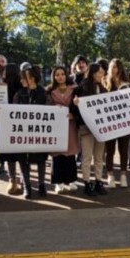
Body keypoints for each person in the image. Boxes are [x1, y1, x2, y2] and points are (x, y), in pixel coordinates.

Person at [12, 65, 50, 198]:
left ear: (32, 78)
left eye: (24, 78)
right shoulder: (19, 94)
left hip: (39, 133)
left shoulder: (43, 93)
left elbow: (50, 110)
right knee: (23, 159)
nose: (21, 80)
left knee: (41, 159)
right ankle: (27, 186)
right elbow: (13, 111)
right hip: (23, 133)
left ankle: (41, 185)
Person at [71, 63, 109, 196]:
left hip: (100, 129)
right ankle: (87, 183)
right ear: (93, 73)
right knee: (87, 157)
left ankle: (98, 181)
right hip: (86, 129)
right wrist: (75, 104)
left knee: (99, 157)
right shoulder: (81, 88)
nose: (102, 75)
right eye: (100, 72)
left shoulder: (103, 89)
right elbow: (74, 109)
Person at [46, 66, 79, 194]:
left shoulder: (74, 88)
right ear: (54, 77)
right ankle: (58, 183)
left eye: (62, 74)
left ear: (66, 75)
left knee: (70, 153)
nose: (60, 77)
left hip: (70, 124)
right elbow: (46, 106)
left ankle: (71, 180)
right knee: (57, 154)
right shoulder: (49, 90)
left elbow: (79, 106)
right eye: (57, 75)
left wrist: (73, 114)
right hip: (56, 125)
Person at [103, 59, 130, 188]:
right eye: (111, 67)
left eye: (115, 67)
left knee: (123, 150)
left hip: (124, 122)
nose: (112, 69)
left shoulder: (127, 84)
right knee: (110, 150)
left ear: (120, 69)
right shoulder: (104, 83)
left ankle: (123, 176)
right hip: (109, 122)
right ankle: (110, 176)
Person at [0, 55, 21, 176]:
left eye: (2, 61)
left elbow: (19, 92)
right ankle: (2, 163)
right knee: (1, 139)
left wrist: (7, 88)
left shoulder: (14, 76)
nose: (0, 63)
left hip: (13, 114)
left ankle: (18, 164)